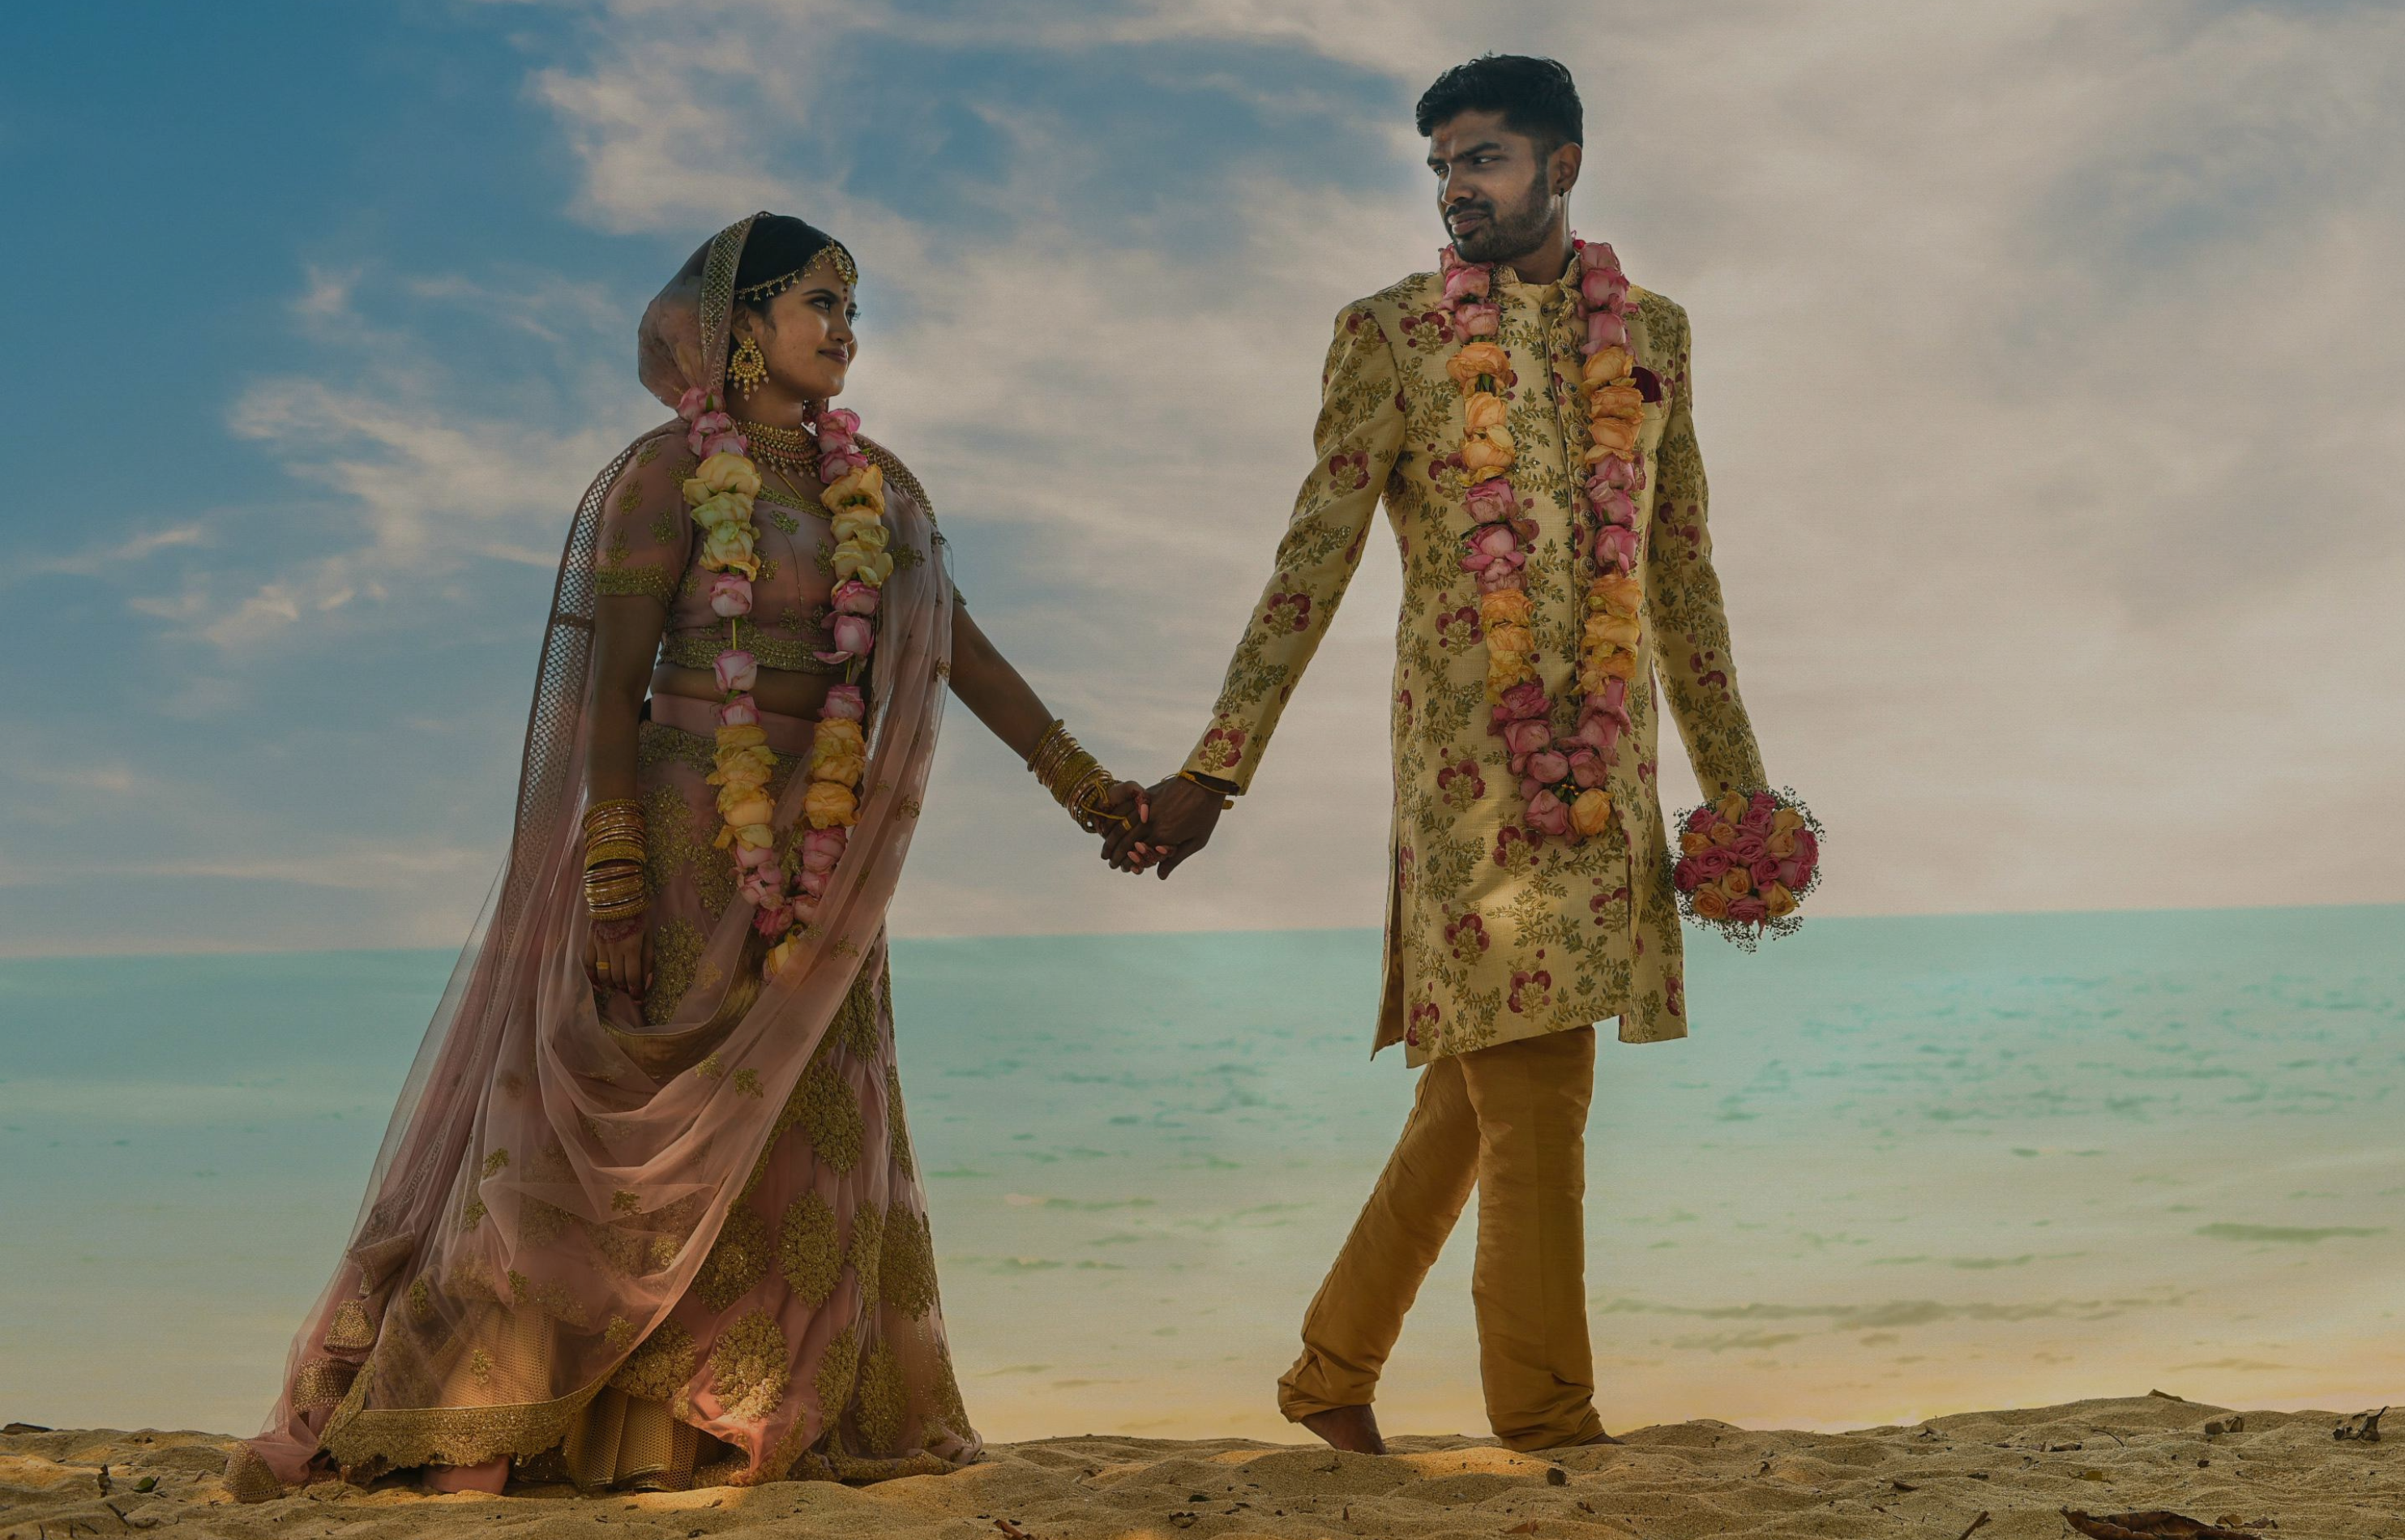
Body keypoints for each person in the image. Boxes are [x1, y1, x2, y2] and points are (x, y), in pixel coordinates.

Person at [225, 213, 1140, 1499]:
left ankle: (720, 1428)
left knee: (791, 1139)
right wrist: (611, 874)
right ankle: (516, 1424)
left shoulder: (879, 490)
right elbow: (605, 694)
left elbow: (957, 654)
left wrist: (1091, 790)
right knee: (596, 1143)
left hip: (818, 868)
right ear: (741, 325)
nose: (844, 330)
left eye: (851, 308)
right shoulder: (665, 477)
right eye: (819, 301)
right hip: (675, 836)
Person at [1114, 56, 1775, 1454]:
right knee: (1538, 1091)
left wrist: (1740, 794)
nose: (1454, 188)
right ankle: (1548, 1423)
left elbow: (1685, 577)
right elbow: (1317, 552)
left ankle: (1328, 1373)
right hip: (1468, 782)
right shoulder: (1396, 334)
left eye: (1480, 159)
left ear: (1564, 165)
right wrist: (1218, 765)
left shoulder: (1654, 335)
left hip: (1604, 773)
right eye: (1440, 167)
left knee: (1481, 1092)